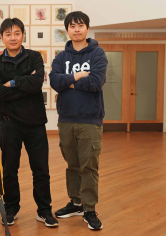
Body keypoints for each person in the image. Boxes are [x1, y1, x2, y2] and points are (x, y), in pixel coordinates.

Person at [0, 18, 58, 228]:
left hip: (35, 124)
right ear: (2, 38)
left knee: (41, 169)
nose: (12, 38)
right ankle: (11, 209)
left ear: (23, 35)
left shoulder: (34, 57)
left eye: (16, 33)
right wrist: (25, 84)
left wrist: (13, 83)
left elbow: (37, 83)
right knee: (10, 169)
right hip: (9, 125)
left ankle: (44, 211)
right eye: (8, 34)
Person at [49, 11, 108, 230]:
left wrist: (68, 83)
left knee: (89, 166)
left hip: (90, 120)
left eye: (80, 25)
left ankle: (90, 209)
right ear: (67, 30)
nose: (76, 29)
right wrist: (77, 77)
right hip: (66, 119)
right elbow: (55, 81)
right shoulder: (61, 57)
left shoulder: (98, 54)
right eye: (72, 26)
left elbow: (95, 83)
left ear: (87, 28)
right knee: (72, 165)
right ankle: (75, 203)